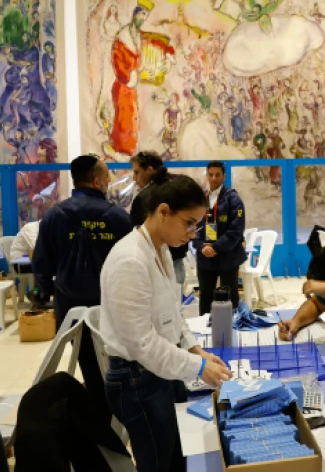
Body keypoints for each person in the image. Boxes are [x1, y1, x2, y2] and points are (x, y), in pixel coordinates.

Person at [100, 172, 233, 471]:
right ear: (163, 212)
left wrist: (195, 350)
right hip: (137, 380)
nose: (193, 232)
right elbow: (142, 343)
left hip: (162, 371)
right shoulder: (130, 260)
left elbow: (173, 313)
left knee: (175, 456)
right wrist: (197, 368)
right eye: (189, 223)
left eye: (197, 225)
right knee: (159, 462)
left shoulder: (159, 249)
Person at [32, 153, 133, 434]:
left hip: (70, 308)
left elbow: (41, 264)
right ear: (97, 180)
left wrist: (50, 293)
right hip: (112, 306)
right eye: (108, 175)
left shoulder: (54, 215)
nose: (110, 180)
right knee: (116, 357)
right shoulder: (117, 217)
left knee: (86, 358)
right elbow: (133, 263)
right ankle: (119, 413)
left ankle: (97, 413)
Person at [192, 161, 248, 315]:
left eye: (217, 175)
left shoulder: (233, 199)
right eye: (211, 174)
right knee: (205, 297)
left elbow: (236, 231)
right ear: (207, 175)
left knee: (230, 297)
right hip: (205, 257)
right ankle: (204, 329)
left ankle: (234, 326)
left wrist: (215, 247)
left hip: (227, 257)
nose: (214, 178)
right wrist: (201, 246)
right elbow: (192, 226)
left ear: (224, 176)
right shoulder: (200, 199)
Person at [129, 151, 191, 288]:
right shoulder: (179, 191)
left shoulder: (145, 198)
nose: (134, 178)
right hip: (175, 262)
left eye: (137, 172)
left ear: (150, 170)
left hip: (153, 264)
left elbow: (136, 235)